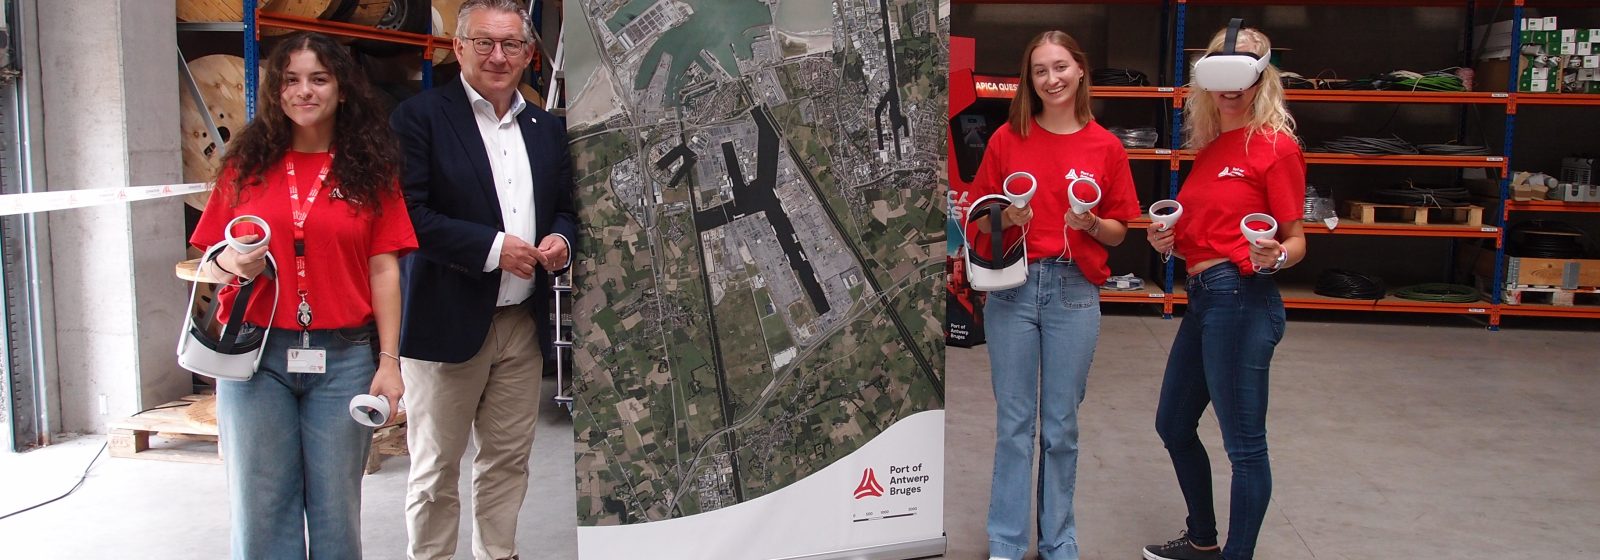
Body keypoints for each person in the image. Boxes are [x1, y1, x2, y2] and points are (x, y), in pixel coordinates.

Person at [190, 31, 414, 559]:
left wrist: (389, 361)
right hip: (253, 356)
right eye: (291, 80)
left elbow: (384, 270)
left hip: (344, 360)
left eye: (319, 78)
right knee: (261, 506)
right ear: (275, 89)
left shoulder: (370, 170)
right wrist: (230, 261)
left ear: (341, 88)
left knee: (337, 510)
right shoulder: (244, 166)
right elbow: (211, 262)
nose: (304, 91)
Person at [389, 1, 577, 558]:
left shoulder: (547, 129)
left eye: (511, 45)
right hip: (446, 323)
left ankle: (498, 553)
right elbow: (409, 214)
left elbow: (567, 208)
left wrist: (561, 241)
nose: (498, 56)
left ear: (528, 54)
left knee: (507, 460)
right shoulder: (418, 118)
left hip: (520, 326)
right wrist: (495, 249)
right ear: (459, 47)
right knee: (435, 468)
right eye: (484, 43)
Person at [969, 30, 1140, 560]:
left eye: (1061, 66)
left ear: (1081, 70)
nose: (1052, 78)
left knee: (1061, 427)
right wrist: (1005, 216)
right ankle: (1007, 540)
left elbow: (1120, 229)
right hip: (1014, 292)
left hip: (1074, 292)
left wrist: (1089, 224)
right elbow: (976, 220)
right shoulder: (1006, 140)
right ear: (1030, 80)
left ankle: (1059, 540)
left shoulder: (1106, 146)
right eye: (1041, 70)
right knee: (1015, 424)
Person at [1142, 23, 1306, 560]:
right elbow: (1202, 230)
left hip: (1241, 298)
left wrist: (1276, 254)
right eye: (1222, 71)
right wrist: (1166, 238)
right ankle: (1203, 540)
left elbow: (1295, 237)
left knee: (1245, 447)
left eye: (1246, 69)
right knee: (1173, 423)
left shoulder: (1275, 147)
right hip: (1205, 298)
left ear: (1264, 77)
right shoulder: (1212, 148)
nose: (1231, 85)